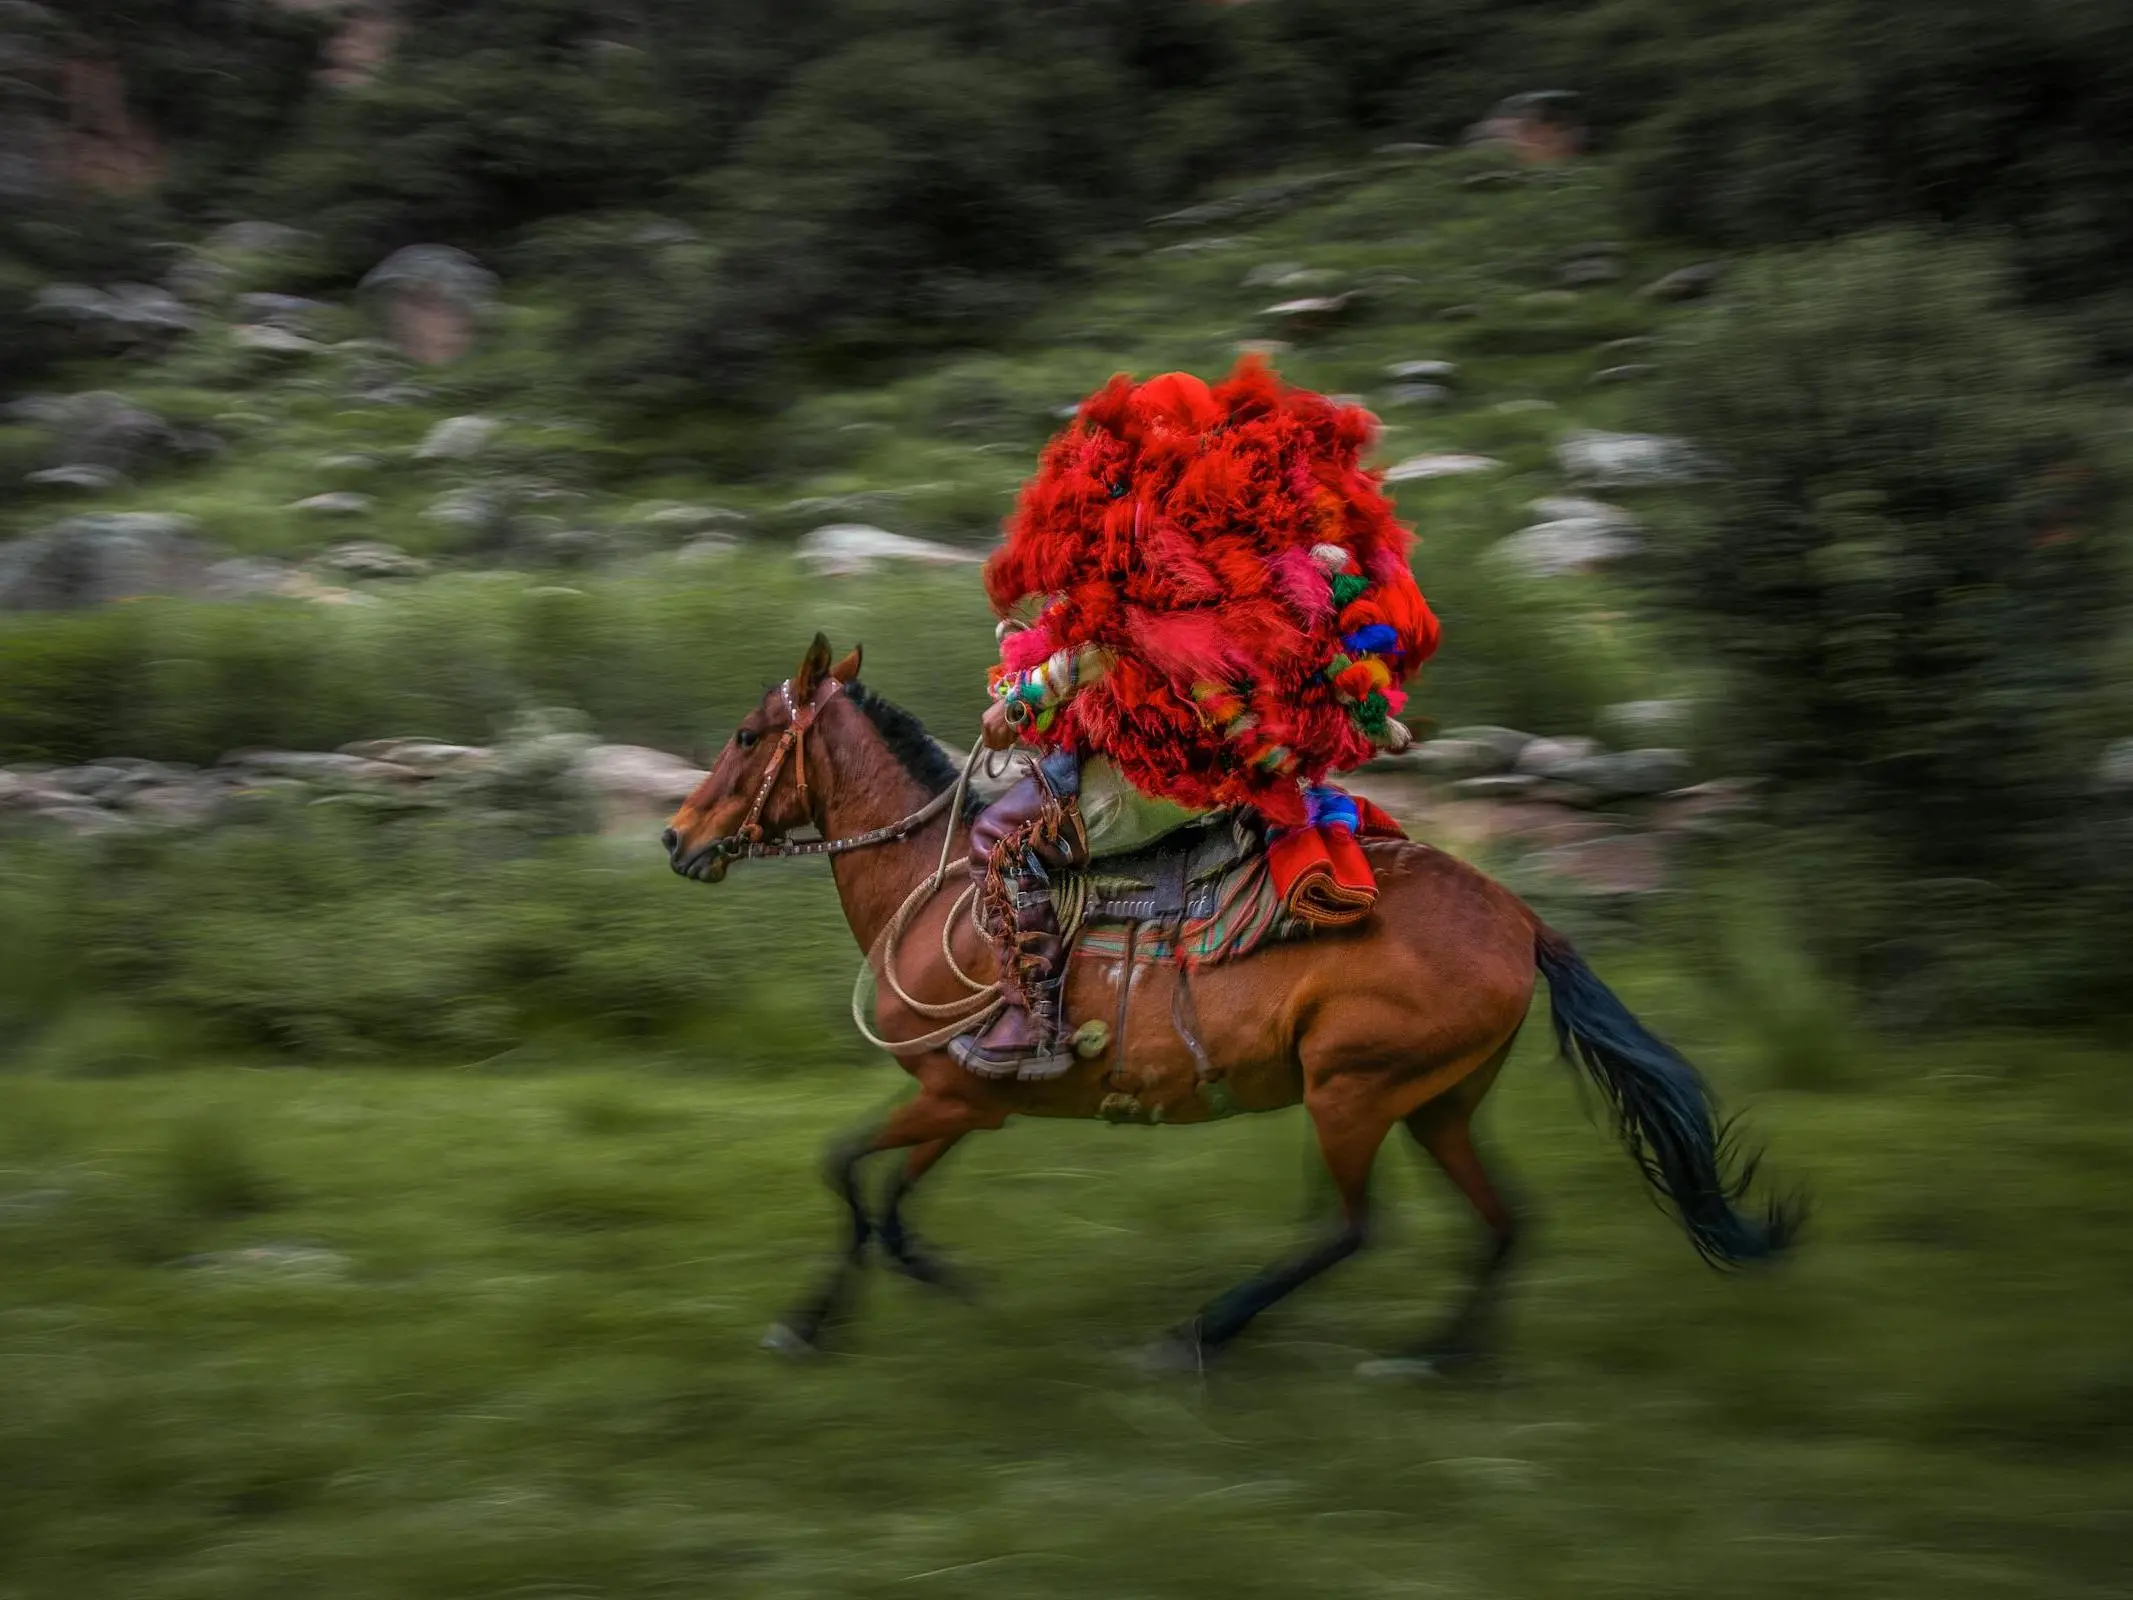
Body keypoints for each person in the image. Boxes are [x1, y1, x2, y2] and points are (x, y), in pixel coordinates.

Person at [949, 361, 1440, 1080]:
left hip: (1168, 771)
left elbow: (1112, 647)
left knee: (998, 840)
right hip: (1209, 751)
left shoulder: (1162, 535)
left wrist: (1017, 703)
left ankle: (1034, 1022)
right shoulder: (1240, 526)